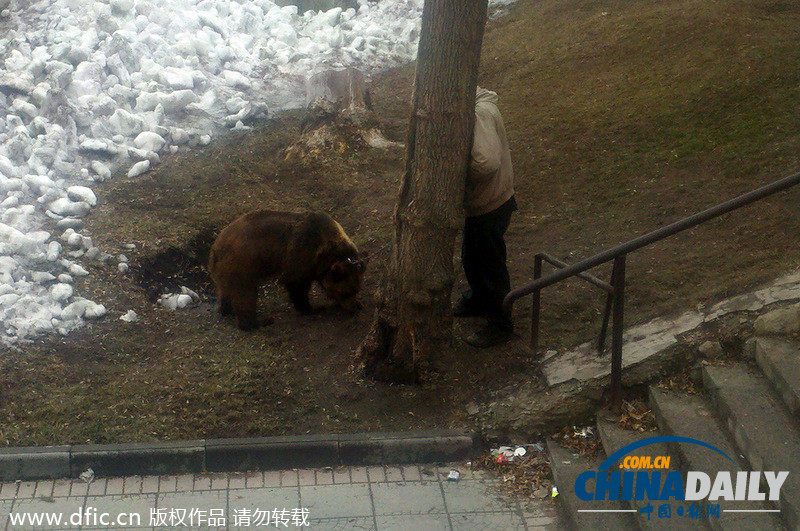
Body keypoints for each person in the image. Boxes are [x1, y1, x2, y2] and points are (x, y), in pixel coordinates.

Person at [454, 86, 517, 348]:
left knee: (490, 265)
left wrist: (459, 176)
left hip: (491, 202)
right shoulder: (477, 108)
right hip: (486, 201)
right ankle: (479, 299)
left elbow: (486, 162)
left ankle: (500, 324)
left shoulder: (478, 113)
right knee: (472, 257)